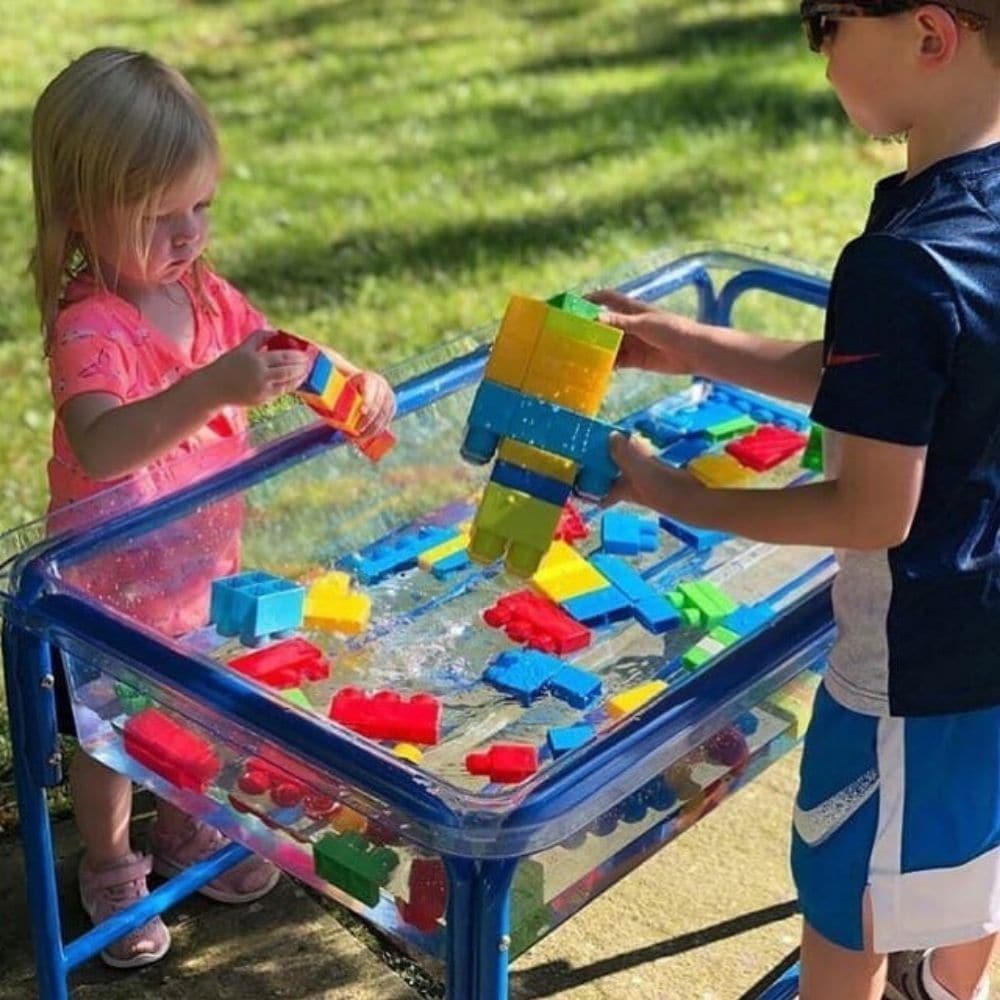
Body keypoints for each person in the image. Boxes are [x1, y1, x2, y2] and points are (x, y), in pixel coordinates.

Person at [593, 3, 1000, 998]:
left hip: (914, 671)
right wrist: (687, 341)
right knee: (974, 868)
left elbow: (869, 513)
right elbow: (882, 381)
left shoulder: (902, 259)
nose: (819, 61)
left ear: (929, 34)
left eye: (826, 24)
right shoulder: (960, 213)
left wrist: (677, 491)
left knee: (844, 902)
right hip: (985, 636)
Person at [29, 46, 396, 969]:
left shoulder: (201, 294)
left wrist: (351, 383)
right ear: (80, 212)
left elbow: (280, 351)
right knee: (114, 735)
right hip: (110, 585)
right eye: (160, 216)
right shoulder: (90, 326)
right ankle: (111, 862)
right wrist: (209, 388)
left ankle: (189, 827)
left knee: (197, 708)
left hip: (198, 564)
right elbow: (106, 441)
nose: (190, 234)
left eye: (202, 207)